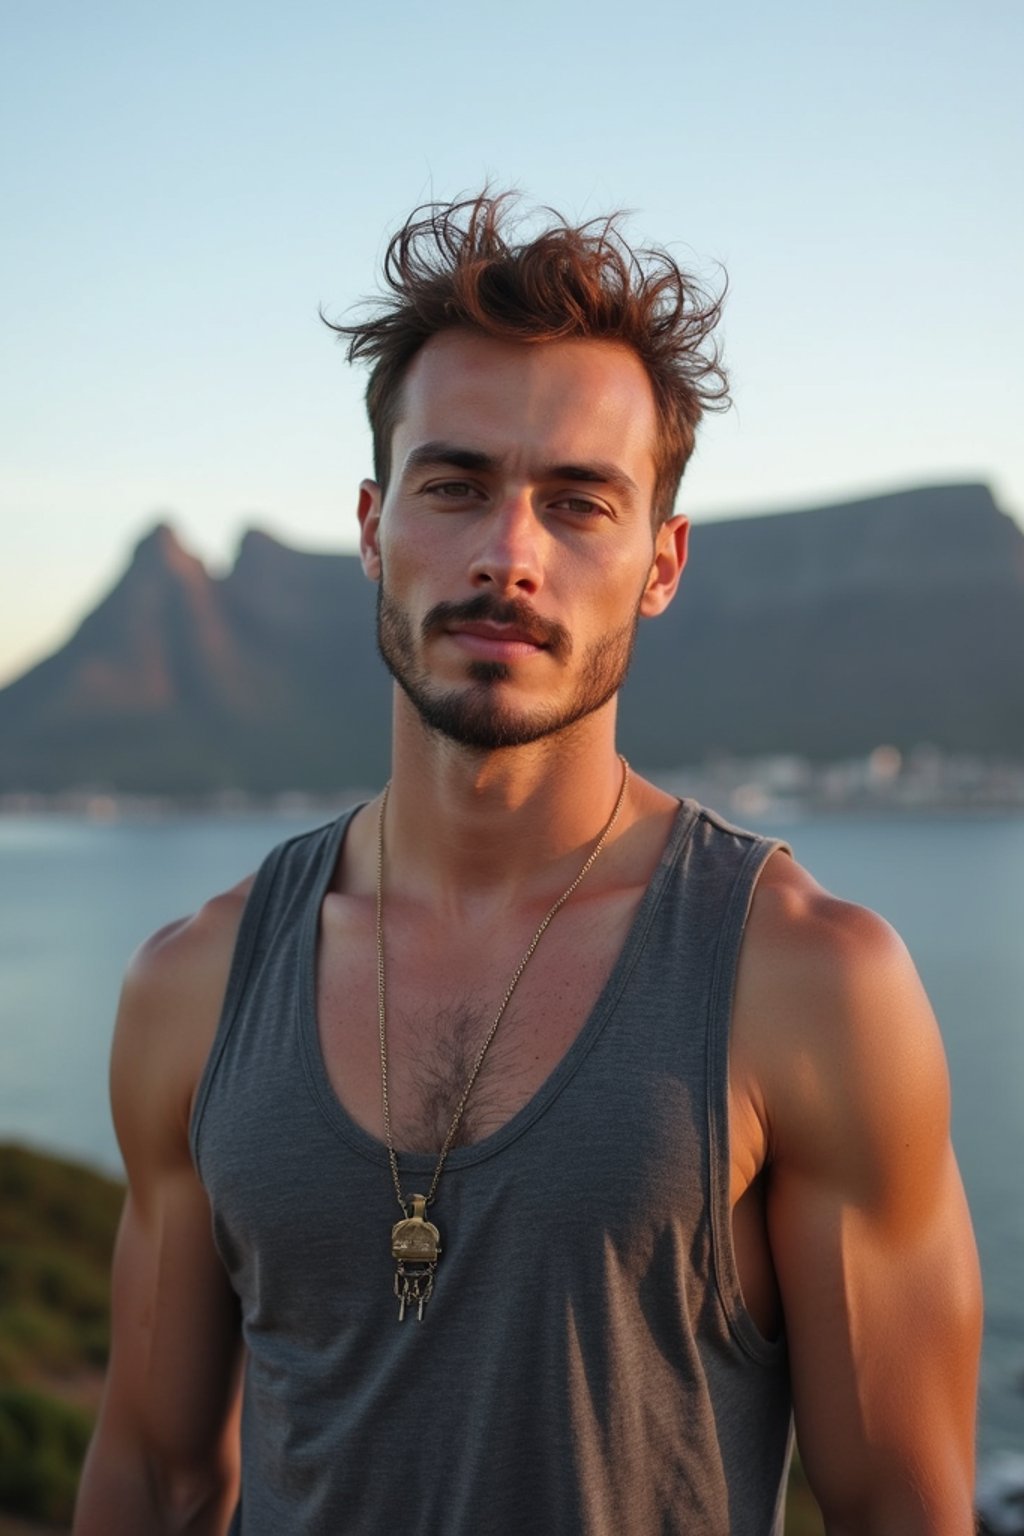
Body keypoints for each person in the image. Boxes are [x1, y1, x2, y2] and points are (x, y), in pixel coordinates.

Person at [74, 193, 982, 1535]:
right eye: (457, 486)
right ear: (376, 526)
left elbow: (902, 1509)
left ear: (659, 564)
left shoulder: (812, 985)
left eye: (579, 504)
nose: (509, 556)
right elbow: (153, 1479)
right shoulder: (194, 985)